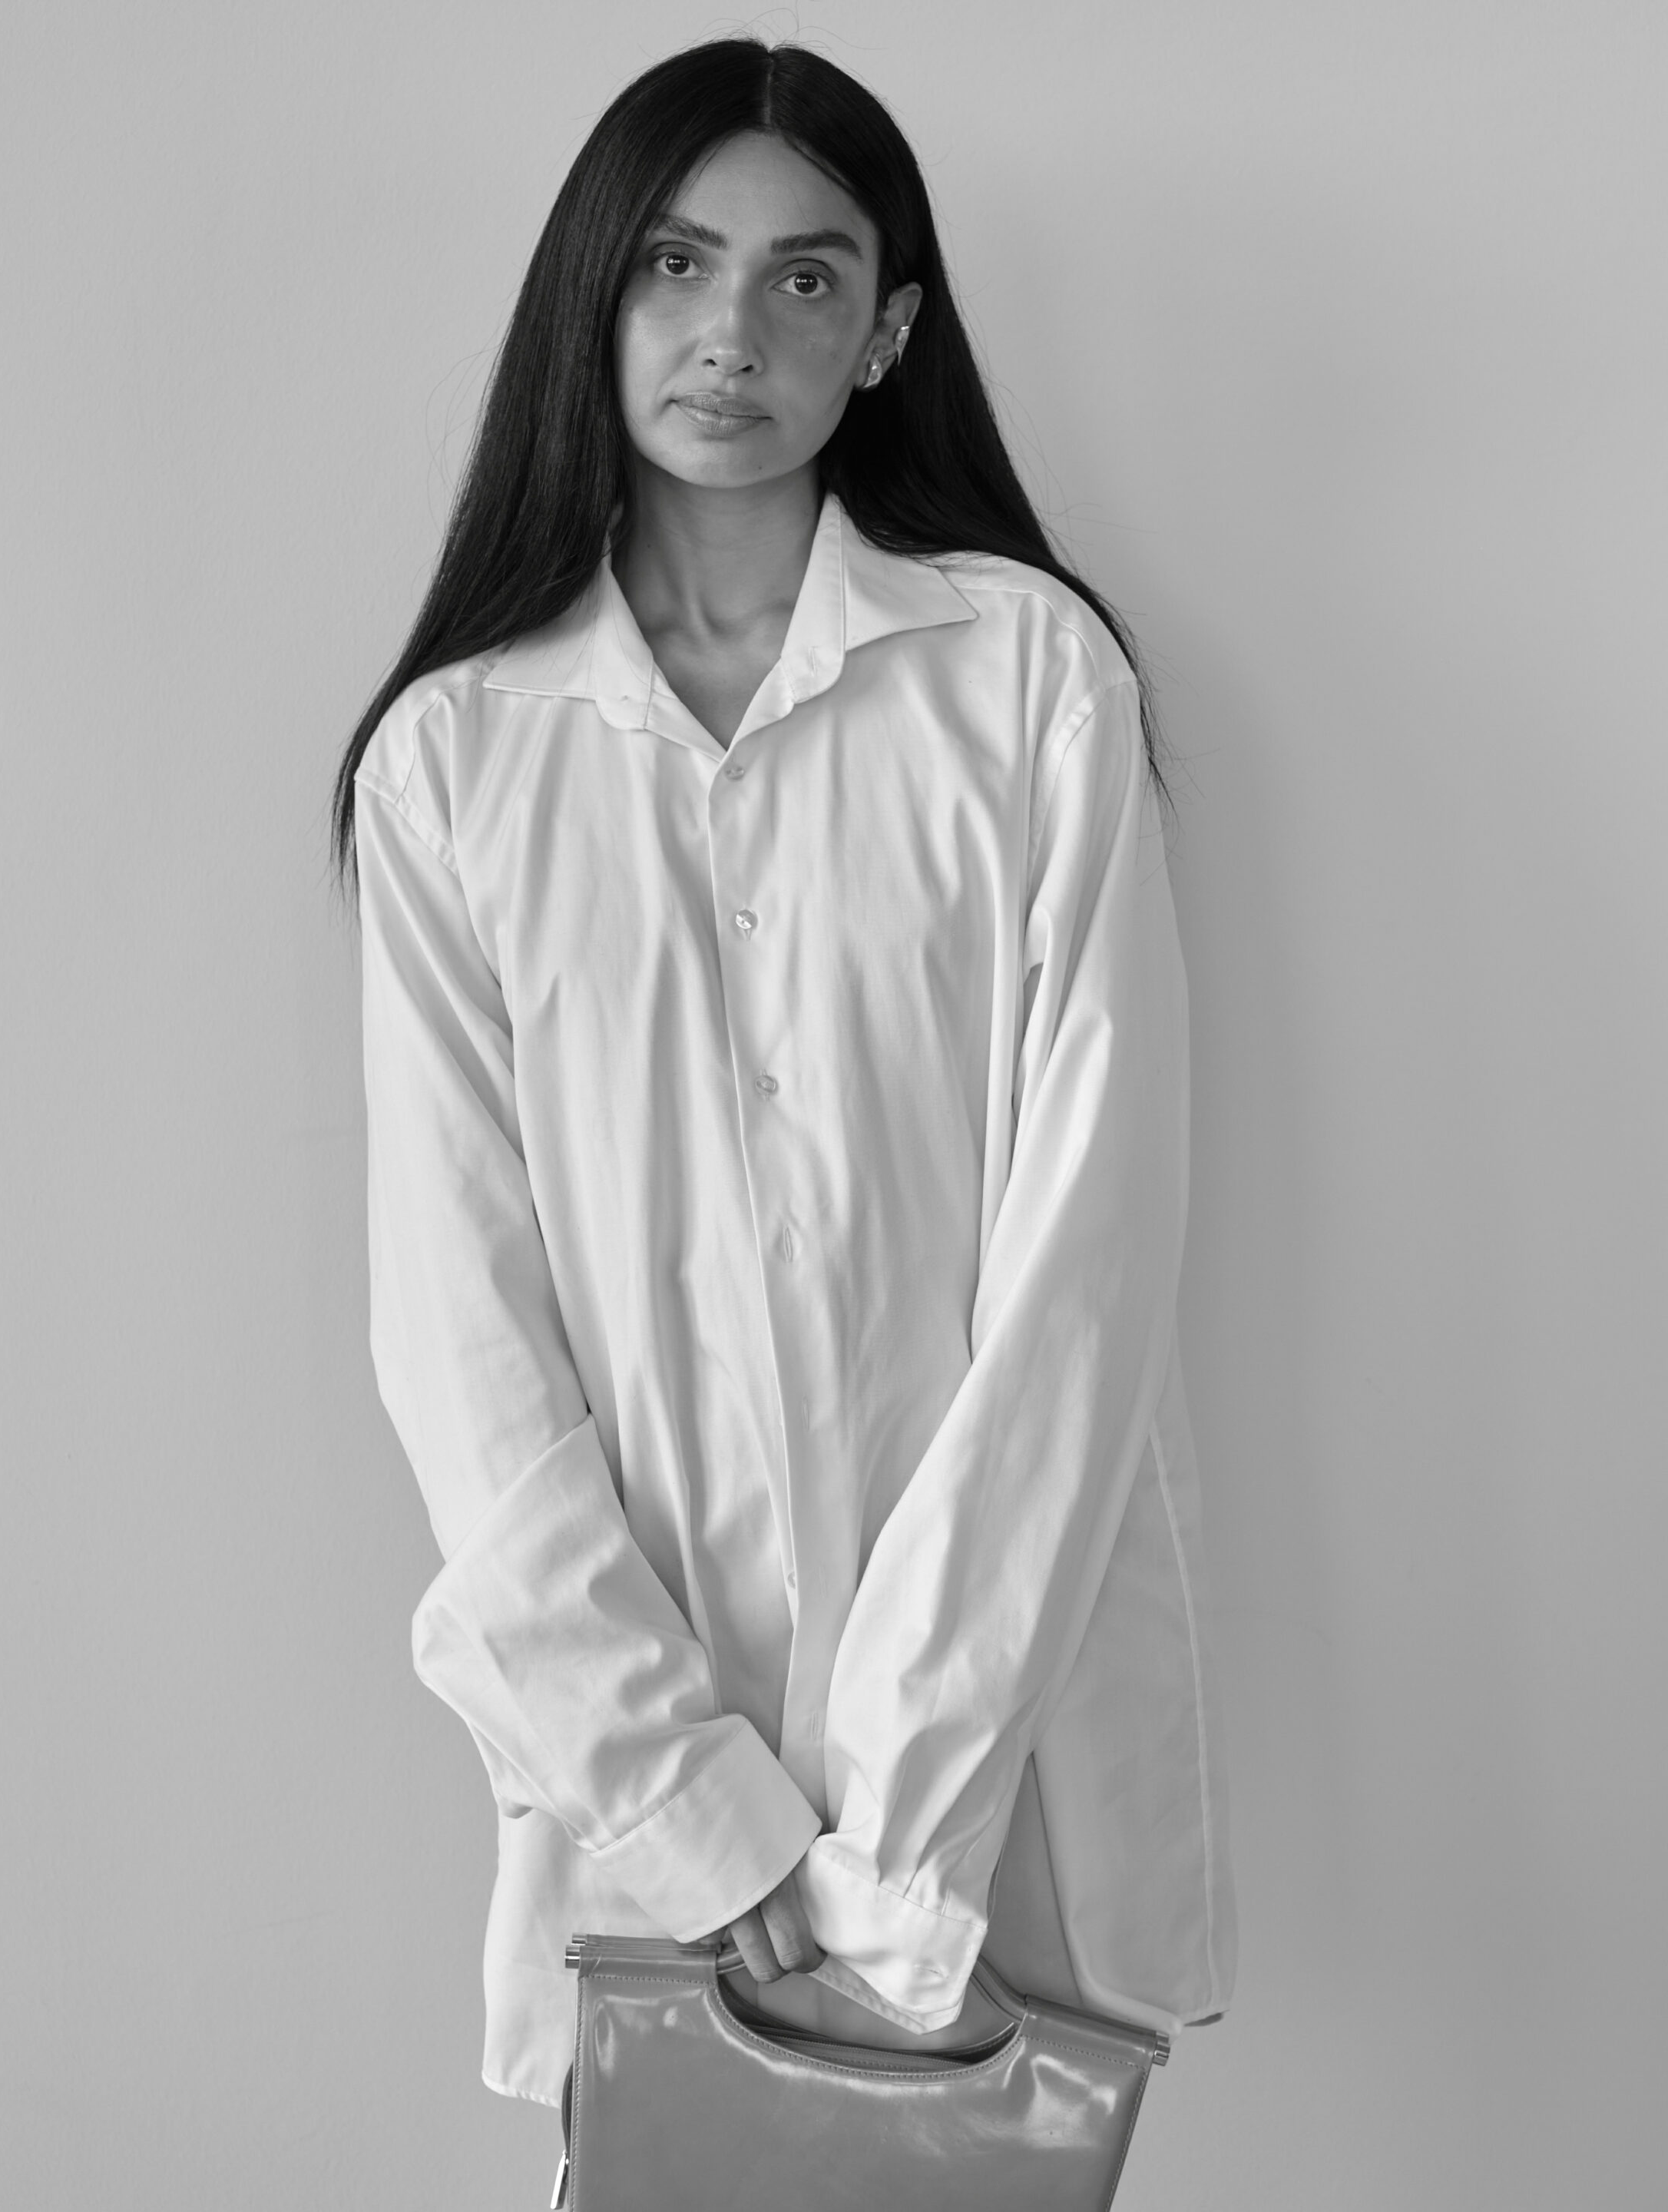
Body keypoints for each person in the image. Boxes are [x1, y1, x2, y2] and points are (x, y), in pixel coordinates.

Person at [329, 35, 1236, 2109]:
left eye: (804, 277)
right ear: (596, 295)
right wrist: (690, 1802)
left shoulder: (1030, 684)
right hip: (647, 1815)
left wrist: (904, 1821)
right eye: (675, 262)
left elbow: (1087, 1274)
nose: (730, 330)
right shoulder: (456, 765)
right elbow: (460, 1342)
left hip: (999, 1790)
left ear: (888, 334)